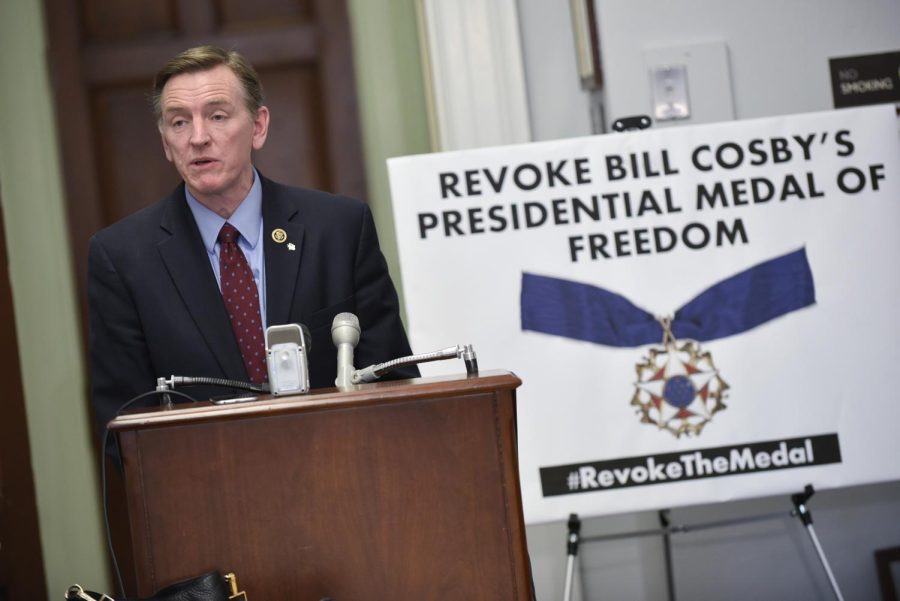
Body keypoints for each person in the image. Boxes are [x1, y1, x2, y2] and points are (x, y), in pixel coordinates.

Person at [88, 45, 418, 434]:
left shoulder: (340, 228)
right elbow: (124, 424)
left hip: (339, 475)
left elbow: (394, 383)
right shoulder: (123, 257)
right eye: (179, 123)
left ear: (258, 126)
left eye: (217, 116)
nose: (198, 137)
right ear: (165, 143)